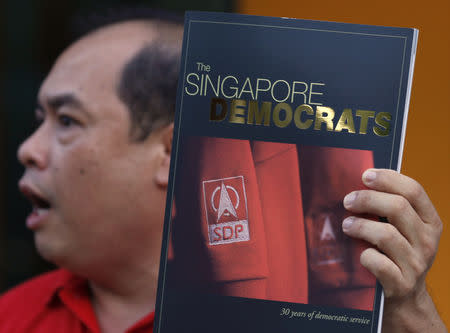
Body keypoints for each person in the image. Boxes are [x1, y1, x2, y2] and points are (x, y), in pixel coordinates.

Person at [0, 10, 447, 333]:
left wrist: (409, 313)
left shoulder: (294, 310)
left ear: (174, 153)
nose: (27, 150)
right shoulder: (15, 316)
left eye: (67, 122)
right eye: (40, 119)